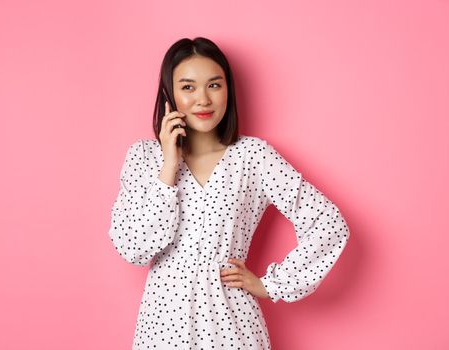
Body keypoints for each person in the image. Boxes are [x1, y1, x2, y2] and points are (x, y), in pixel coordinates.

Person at [108, 37, 350, 349]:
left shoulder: (254, 157)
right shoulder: (144, 158)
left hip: (232, 324)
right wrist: (169, 166)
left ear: (228, 90)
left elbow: (327, 224)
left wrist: (271, 285)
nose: (203, 100)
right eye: (188, 87)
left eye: (214, 85)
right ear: (169, 94)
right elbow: (133, 248)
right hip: (162, 326)